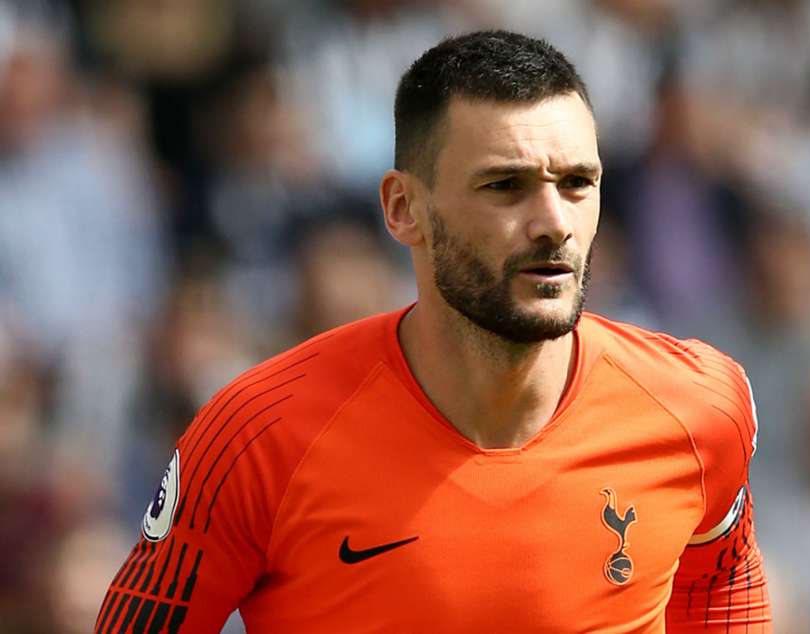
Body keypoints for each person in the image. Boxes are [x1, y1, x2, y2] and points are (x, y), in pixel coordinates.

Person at [97, 31, 771, 633]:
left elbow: (722, 600)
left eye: (576, 183)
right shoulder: (259, 437)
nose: (554, 223)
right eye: (504, 186)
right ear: (403, 209)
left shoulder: (697, 407)